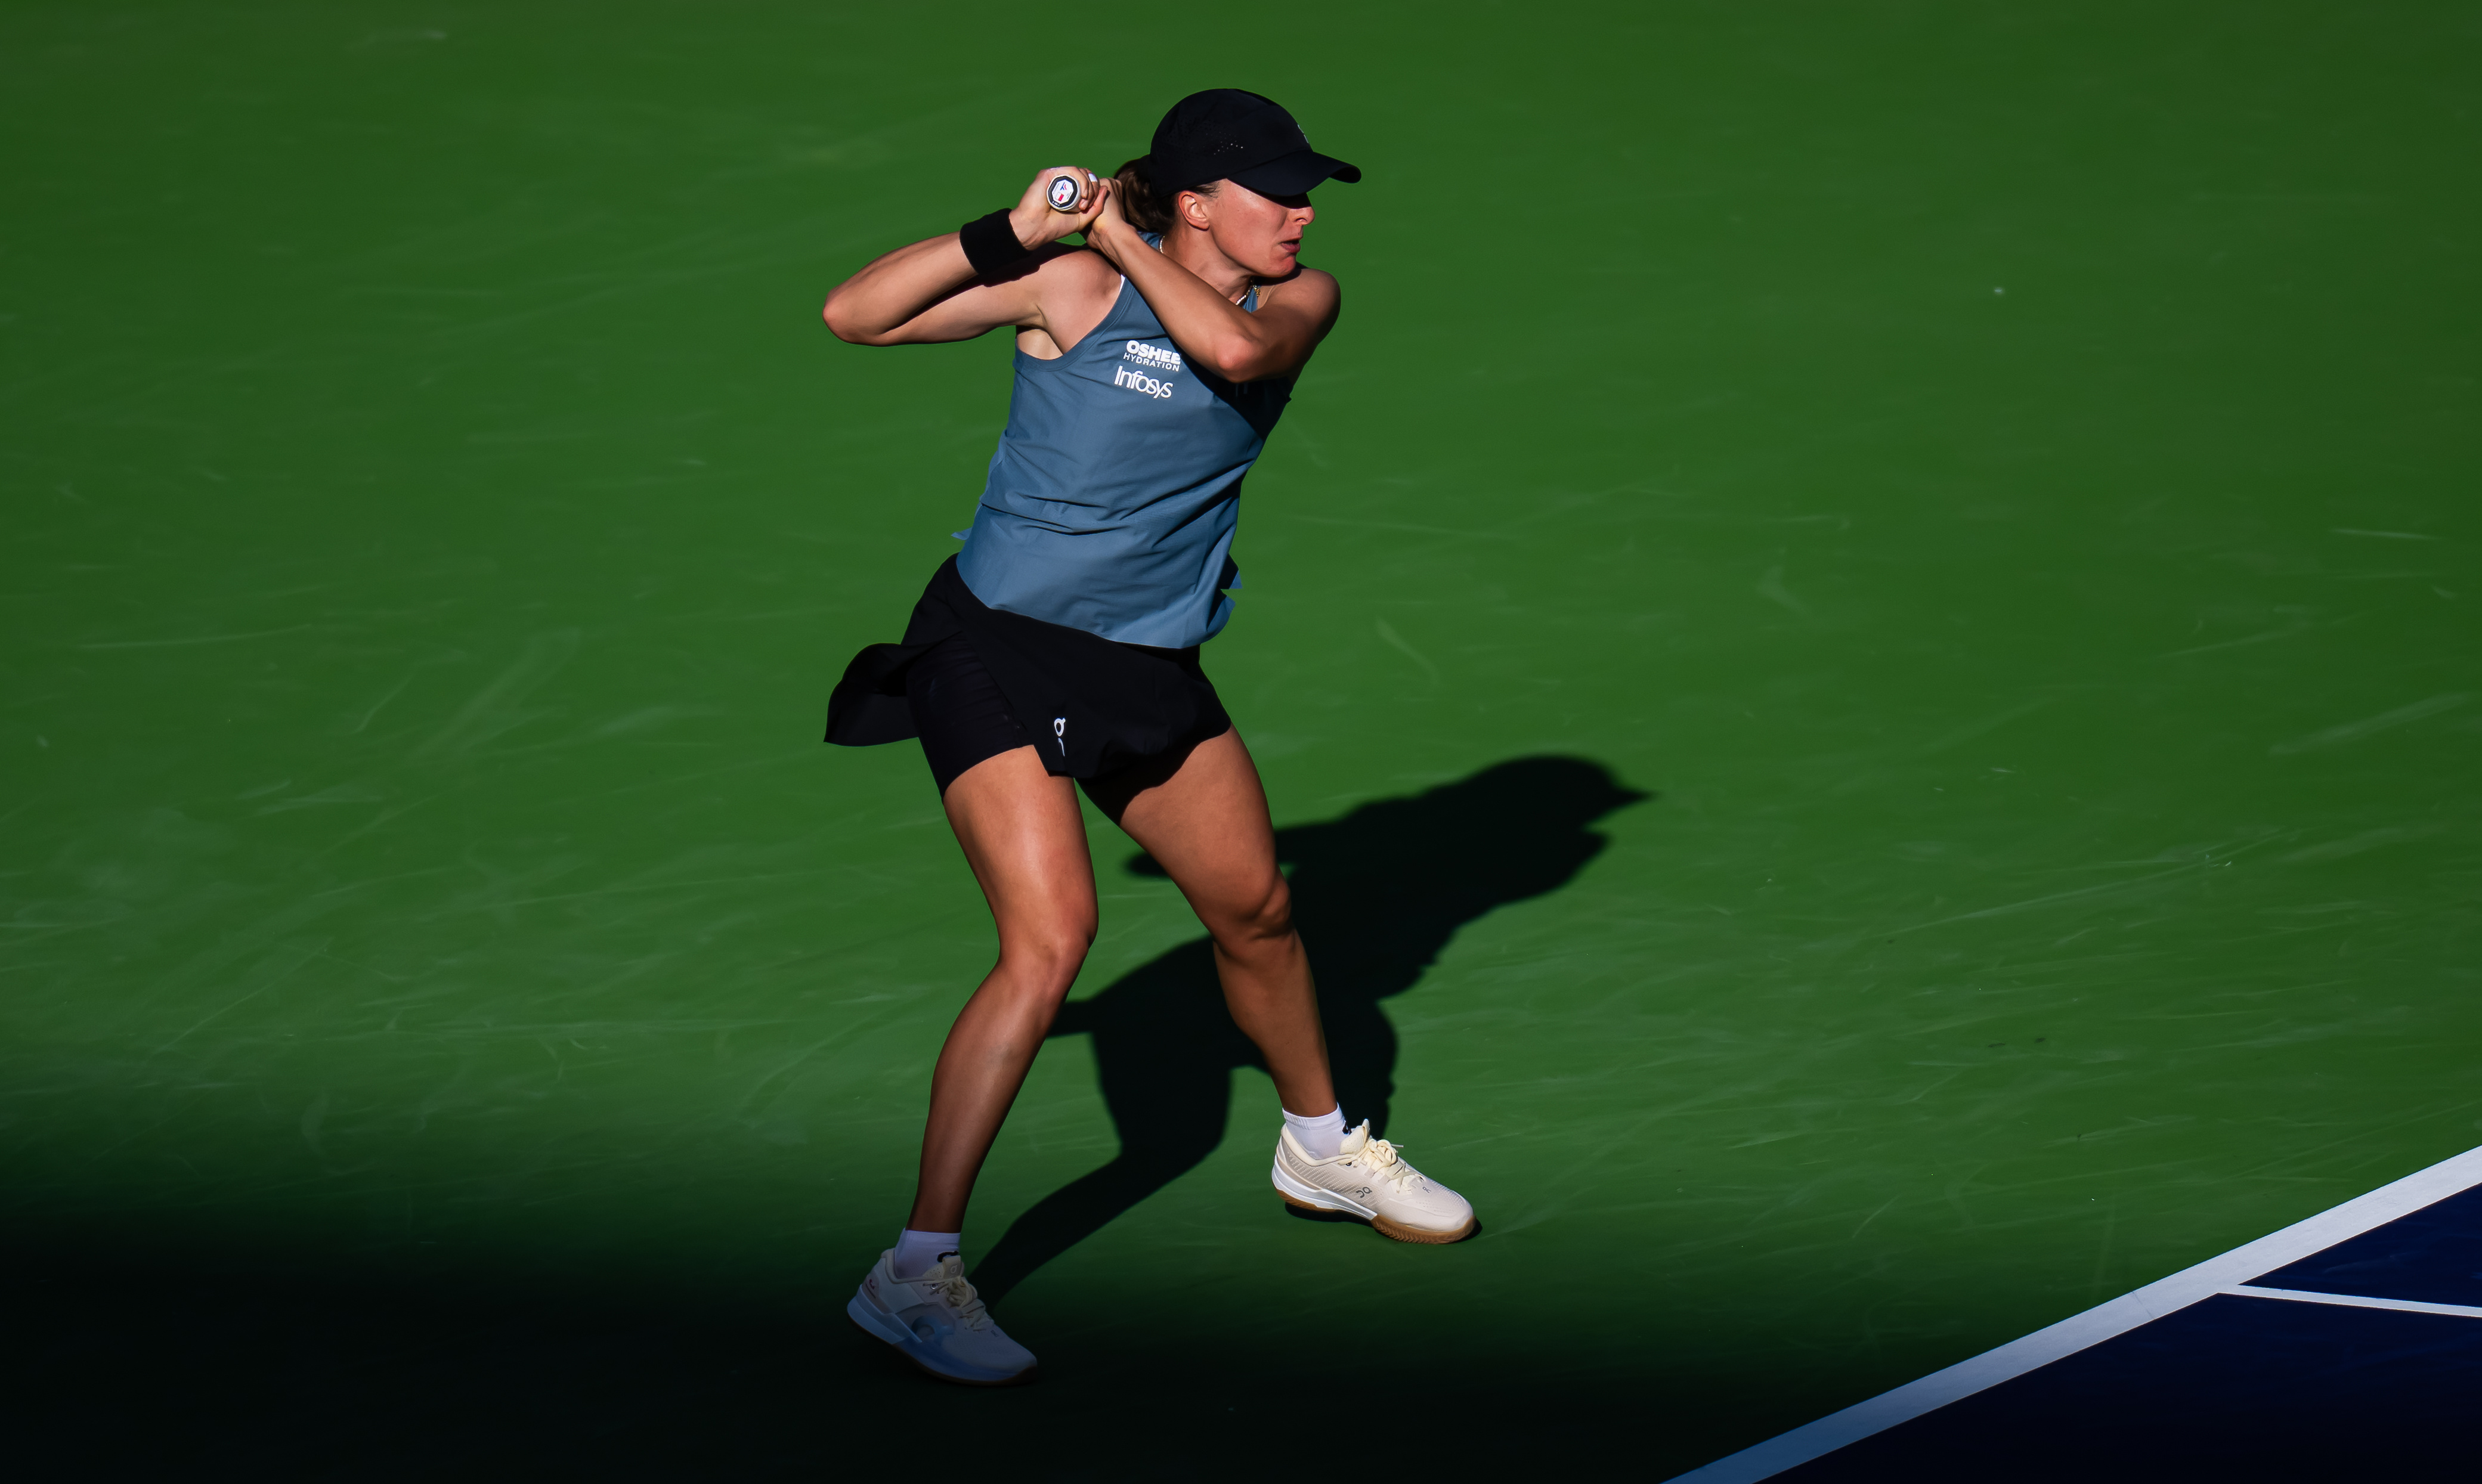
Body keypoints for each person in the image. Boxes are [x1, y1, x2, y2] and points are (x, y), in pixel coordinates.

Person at [818, 89, 1474, 1387]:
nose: (1301, 214)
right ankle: (913, 1271)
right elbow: (856, 315)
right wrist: (1009, 232)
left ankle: (1320, 1148)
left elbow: (1227, 353)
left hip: (1145, 662)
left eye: (1305, 193)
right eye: (1276, 191)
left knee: (1257, 910)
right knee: (1051, 940)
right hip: (993, 647)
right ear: (1195, 201)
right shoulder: (1068, 290)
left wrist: (1115, 236)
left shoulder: (1299, 301)